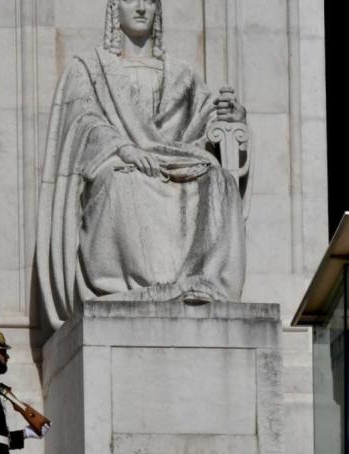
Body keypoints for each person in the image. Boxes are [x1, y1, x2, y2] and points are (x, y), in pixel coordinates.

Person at [36, 0, 249, 330]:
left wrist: (233, 118)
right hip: (119, 163)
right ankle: (140, 285)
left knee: (219, 180)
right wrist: (123, 148)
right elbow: (80, 124)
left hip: (177, 160)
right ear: (114, 10)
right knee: (123, 182)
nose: (140, 8)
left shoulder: (183, 76)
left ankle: (207, 281)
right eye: (130, 0)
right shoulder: (90, 69)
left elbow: (206, 126)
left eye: (149, 1)